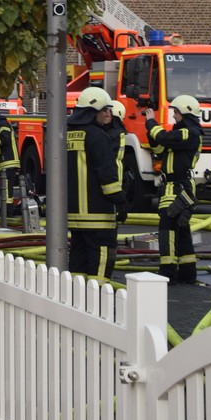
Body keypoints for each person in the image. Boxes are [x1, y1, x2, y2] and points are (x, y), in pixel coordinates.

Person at [66, 87, 127, 279]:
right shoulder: (98, 136)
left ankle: (77, 302)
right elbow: (107, 175)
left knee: (78, 263)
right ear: (92, 112)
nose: (109, 114)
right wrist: (121, 201)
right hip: (98, 216)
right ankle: (98, 304)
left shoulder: (66, 134)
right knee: (100, 265)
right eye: (105, 110)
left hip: (73, 216)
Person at [145, 95, 203, 284]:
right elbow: (160, 148)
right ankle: (187, 273)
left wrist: (151, 122)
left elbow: (162, 136)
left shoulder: (190, 133)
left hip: (179, 188)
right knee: (181, 229)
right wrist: (151, 133)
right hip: (172, 187)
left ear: (185, 113)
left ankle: (168, 271)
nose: (174, 116)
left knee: (167, 228)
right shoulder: (179, 135)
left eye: (176, 112)